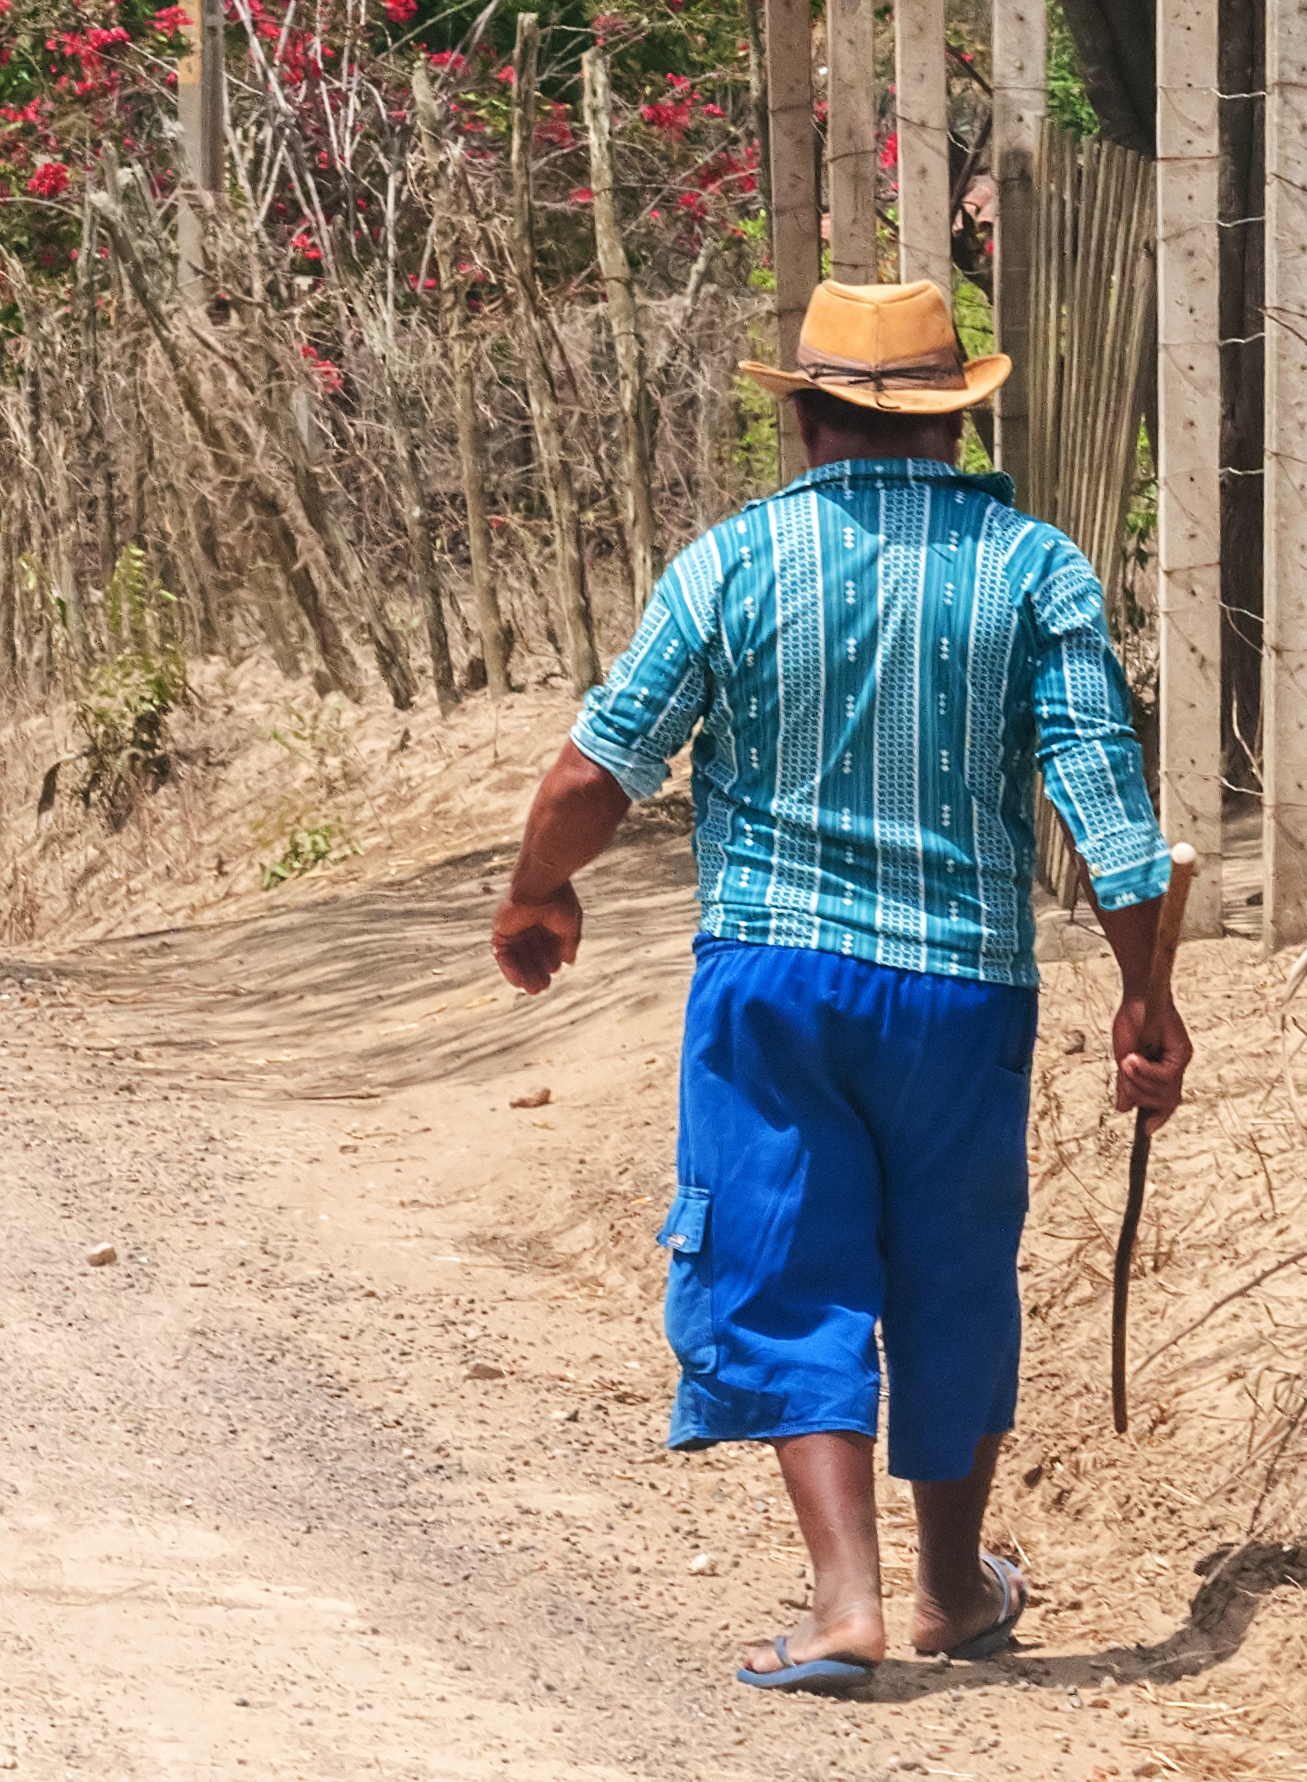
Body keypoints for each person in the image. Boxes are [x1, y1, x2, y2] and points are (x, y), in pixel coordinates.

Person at [489, 276, 1191, 1694]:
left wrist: (534, 889)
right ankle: (951, 1585)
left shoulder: (733, 562)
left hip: (774, 982)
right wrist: (1145, 997)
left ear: (801, 415)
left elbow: (590, 773)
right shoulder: (1033, 566)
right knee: (949, 1271)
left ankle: (843, 1605)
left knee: (788, 1264)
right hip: (960, 991)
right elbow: (1111, 820)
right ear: (957, 416)